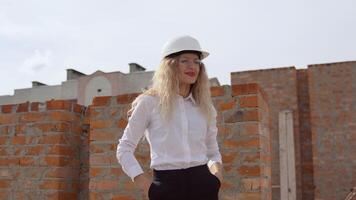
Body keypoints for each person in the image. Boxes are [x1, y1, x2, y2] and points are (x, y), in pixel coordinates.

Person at [116, 35, 223, 200]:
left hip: (204, 186)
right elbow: (124, 149)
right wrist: (147, 186)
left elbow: (212, 152)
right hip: (166, 189)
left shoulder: (205, 107)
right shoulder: (149, 103)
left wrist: (216, 178)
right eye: (185, 60)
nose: (192, 66)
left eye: (196, 61)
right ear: (170, 65)